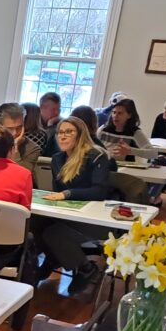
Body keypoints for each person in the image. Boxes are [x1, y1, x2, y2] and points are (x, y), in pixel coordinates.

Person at [36, 117, 112, 296]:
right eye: (60, 132)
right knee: (34, 224)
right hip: (67, 213)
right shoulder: (57, 159)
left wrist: (68, 194)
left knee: (52, 233)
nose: (63, 136)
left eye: (69, 132)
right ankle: (52, 258)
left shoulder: (97, 156)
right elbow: (58, 192)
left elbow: (99, 191)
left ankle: (86, 268)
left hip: (93, 217)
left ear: (80, 135)